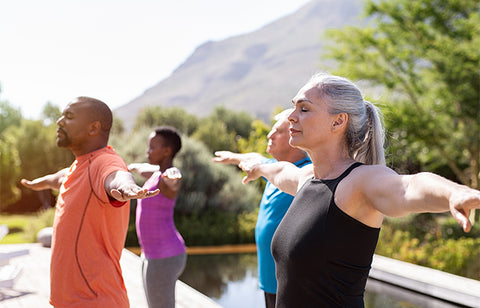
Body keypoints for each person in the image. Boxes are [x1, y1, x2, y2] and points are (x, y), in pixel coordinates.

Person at [237, 73, 480, 307]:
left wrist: (453, 192)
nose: (291, 116)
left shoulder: (359, 181)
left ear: (338, 121)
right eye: (294, 107)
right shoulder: (306, 178)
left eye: (304, 108)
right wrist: (256, 166)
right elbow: (277, 171)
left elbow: (409, 186)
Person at [21, 96, 158, 308]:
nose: (59, 121)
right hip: (69, 301)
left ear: (94, 127)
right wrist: (39, 183)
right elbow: (60, 177)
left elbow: (116, 174)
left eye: (69, 116)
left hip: (96, 301)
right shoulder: (79, 166)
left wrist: (126, 187)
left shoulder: (104, 161)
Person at [213, 109, 311, 308]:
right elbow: (253, 157)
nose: (269, 135)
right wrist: (233, 157)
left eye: (277, 131)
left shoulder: (306, 173)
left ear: (295, 137)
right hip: (270, 282)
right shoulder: (270, 167)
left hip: (294, 284)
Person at [128, 126, 186, 308]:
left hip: (164, 255)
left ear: (167, 151)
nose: (148, 151)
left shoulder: (167, 178)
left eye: (153, 147)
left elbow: (173, 181)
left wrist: (172, 178)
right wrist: (129, 167)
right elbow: (142, 168)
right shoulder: (155, 174)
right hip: (152, 253)